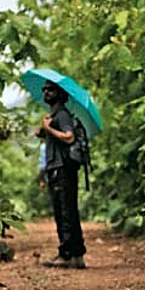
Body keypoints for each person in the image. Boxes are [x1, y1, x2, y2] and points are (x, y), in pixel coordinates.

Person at [36, 80, 86, 269]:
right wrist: (44, 132)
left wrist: (49, 129)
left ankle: (68, 255)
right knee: (67, 210)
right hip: (60, 168)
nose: (46, 92)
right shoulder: (56, 115)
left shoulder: (62, 114)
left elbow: (69, 136)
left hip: (62, 169)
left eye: (50, 89)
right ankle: (75, 254)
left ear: (60, 93)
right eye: (44, 89)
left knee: (65, 211)